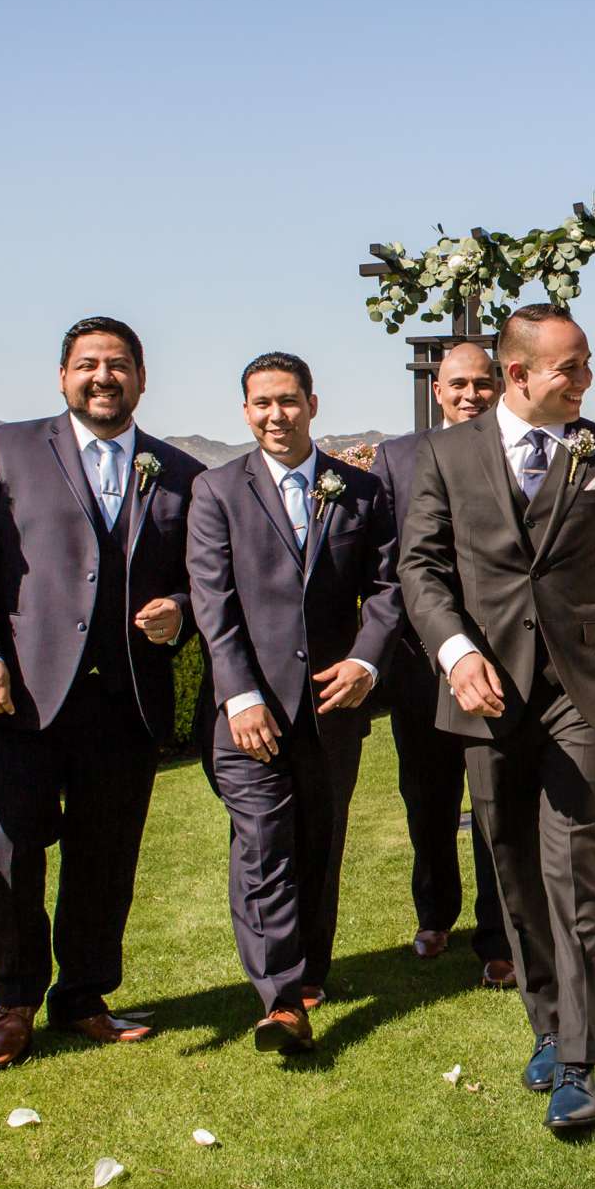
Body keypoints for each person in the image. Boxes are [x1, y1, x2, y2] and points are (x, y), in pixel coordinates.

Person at [397, 304, 595, 1137]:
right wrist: (453, 652)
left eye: (586, 365)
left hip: (585, 693)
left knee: (574, 858)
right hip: (484, 690)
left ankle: (582, 1063)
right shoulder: (444, 455)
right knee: (511, 861)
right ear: (520, 375)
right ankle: (548, 1024)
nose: (586, 381)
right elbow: (422, 566)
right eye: (571, 368)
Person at [0, 315, 204, 1066]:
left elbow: (202, 576)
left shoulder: (180, 471)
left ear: (142, 379)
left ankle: (85, 995)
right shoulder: (4, 449)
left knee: (105, 857)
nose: (103, 376)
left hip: (124, 701)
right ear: (62, 377)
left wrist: (179, 612)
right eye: (88, 364)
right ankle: (14, 998)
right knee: (10, 853)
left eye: (119, 364)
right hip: (17, 696)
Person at [187, 353, 400, 1053]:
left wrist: (366, 661)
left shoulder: (360, 492)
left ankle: (309, 971)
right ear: (244, 411)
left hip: (332, 708)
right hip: (249, 712)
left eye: (287, 400)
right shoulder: (216, 491)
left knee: (319, 841)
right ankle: (280, 1000)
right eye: (260, 403)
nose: (275, 414)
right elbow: (213, 606)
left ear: (312, 402)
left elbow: (390, 588)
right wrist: (239, 695)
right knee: (263, 844)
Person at [369, 341, 514, 988]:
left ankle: (498, 933)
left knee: (495, 803)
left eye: (482, 383)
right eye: (458, 384)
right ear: (438, 390)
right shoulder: (396, 458)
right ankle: (434, 914)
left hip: (501, 663)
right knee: (426, 801)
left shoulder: (518, 450)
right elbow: (385, 564)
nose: (470, 395)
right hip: (419, 667)